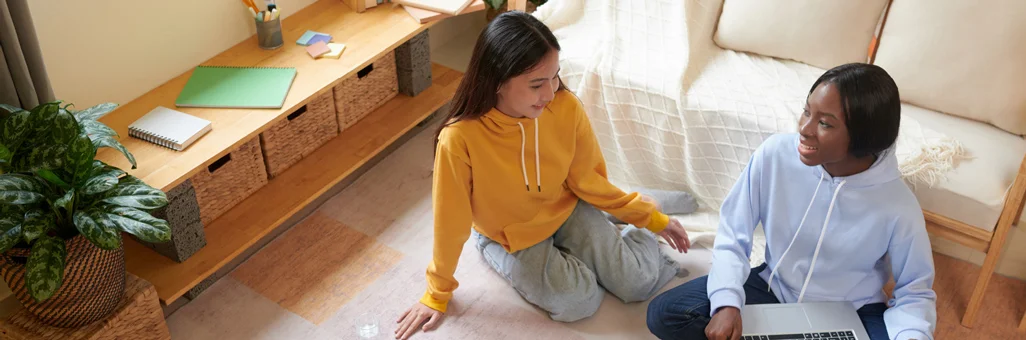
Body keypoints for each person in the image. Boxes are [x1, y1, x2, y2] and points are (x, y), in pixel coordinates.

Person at [394, 11, 697, 340]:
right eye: (537, 84)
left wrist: (650, 219)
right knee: (577, 303)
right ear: (496, 82)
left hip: (567, 206)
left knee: (636, 283)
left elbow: (587, 181)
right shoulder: (459, 139)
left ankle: (637, 204)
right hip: (509, 234)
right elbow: (450, 222)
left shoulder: (564, 107)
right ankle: (497, 246)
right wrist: (437, 294)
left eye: (555, 77)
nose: (551, 93)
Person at [646, 63, 937, 340]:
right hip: (774, 288)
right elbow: (733, 234)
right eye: (806, 111)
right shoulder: (774, 155)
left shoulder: (898, 205)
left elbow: (915, 291)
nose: (805, 128)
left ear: (864, 136)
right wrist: (726, 303)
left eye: (824, 123)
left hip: (853, 309)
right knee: (667, 313)